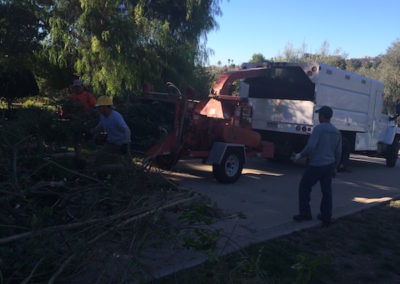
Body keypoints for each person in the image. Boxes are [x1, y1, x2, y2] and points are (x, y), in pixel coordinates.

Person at [292, 106, 342, 226]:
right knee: (326, 191)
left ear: (323, 116)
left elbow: (310, 147)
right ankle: (326, 216)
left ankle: (305, 214)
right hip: (329, 165)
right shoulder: (337, 132)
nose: (318, 117)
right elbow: (338, 152)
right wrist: (335, 167)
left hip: (316, 164)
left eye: (319, 115)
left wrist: (299, 155)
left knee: (304, 186)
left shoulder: (319, 129)